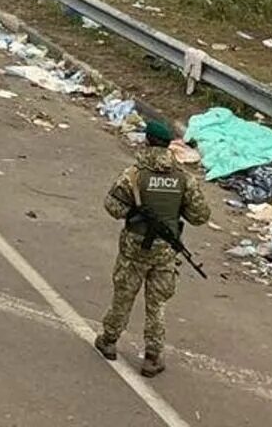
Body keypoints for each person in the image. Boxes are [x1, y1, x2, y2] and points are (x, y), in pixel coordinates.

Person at [95, 119, 211, 375]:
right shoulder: (183, 179)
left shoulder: (133, 175)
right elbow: (200, 216)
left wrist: (136, 209)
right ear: (169, 144)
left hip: (134, 248)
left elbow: (113, 207)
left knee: (123, 296)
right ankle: (152, 356)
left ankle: (109, 341)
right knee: (157, 304)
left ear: (147, 141)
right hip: (166, 250)